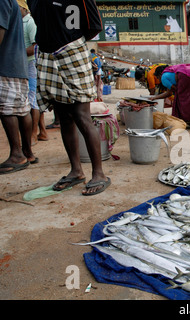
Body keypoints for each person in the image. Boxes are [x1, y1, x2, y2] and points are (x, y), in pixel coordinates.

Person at [28, 0, 111, 196]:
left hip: (72, 52)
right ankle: (76, 171)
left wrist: (69, 40)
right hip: (47, 55)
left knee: (81, 115)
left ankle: (98, 173)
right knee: (63, 116)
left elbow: (94, 26)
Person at [0, 0, 37, 174]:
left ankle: (17, 154)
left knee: (7, 109)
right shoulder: (11, 3)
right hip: (19, 63)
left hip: (7, 62)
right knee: (23, 109)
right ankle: (27, 152)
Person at [149, 64, 190, 129]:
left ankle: (182, 123)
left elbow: (172, 90)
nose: (159, 80)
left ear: (160, 74)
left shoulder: (163, 77)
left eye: (158, 78)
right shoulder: (172, 70)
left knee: (181, 101)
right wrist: (155, 97)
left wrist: (154, 98)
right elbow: (169, 93)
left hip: (185, 75)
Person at [18, 0, 47, 145]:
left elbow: (35, 46)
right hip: (22, 64)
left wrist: (15, 53)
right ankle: (42, 131)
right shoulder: (18, 22)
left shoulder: (29, 23)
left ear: (23, 8)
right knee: (31, 98)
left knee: (33, 100)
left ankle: (33, 134)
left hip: (30, 64)